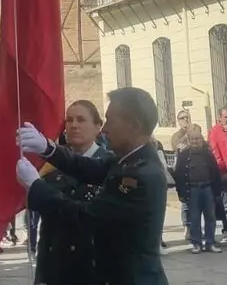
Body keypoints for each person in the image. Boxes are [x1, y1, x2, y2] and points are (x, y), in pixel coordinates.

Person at [16, 87, 168, 285]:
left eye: (111, 121)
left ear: (134, 125)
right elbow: (88, 167)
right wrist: (47, 148)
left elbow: (84, 217)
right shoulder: (130, 160)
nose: (104, 129)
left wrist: (36, 186)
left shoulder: (139, 176)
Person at [30, 100, 112, 285]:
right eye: (69, 120)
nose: (74, 125)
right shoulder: (52, 165)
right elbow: (48, 226)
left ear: (98, 126)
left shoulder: (109, 165)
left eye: (81, 120)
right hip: (59, 265)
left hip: (93, 266)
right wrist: (42, 275)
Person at [173, 126, 224, 253]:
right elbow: (178, 174)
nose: (195, 141)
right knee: (194, 218)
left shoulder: (208, 154)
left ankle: (210, 243)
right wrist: (181, 193)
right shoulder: (183, 155)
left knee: (210, 217)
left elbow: (216, 173)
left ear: (201, 140)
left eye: (197, 139)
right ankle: (196, 244)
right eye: (192, 139)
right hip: (192, 189)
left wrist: (217, 192)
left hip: (207, 188)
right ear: (189, 140)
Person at [206, 110, 227, 243]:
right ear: (219, 118)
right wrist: (223, 172)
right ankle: (226, 230)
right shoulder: (215, 131)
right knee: (226, 202)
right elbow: (215, 153)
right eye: (225, 117)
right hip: (225, 172)